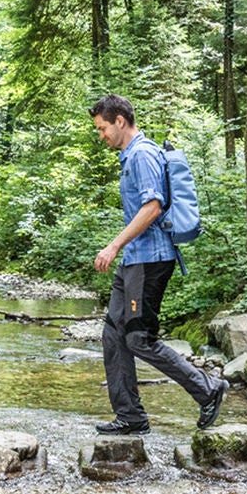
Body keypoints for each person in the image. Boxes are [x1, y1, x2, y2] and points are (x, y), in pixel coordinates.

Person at [88, 94, 227, 435]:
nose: (101, 135)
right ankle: (131, 416)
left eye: (103, 128)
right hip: (135, 259)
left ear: (120, 121)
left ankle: (208, 389)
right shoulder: (130, 156)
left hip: (150, 259)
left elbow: (152, 207)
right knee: (113, 335)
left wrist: (113, 245)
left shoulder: (143, 154)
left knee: (139, 338)